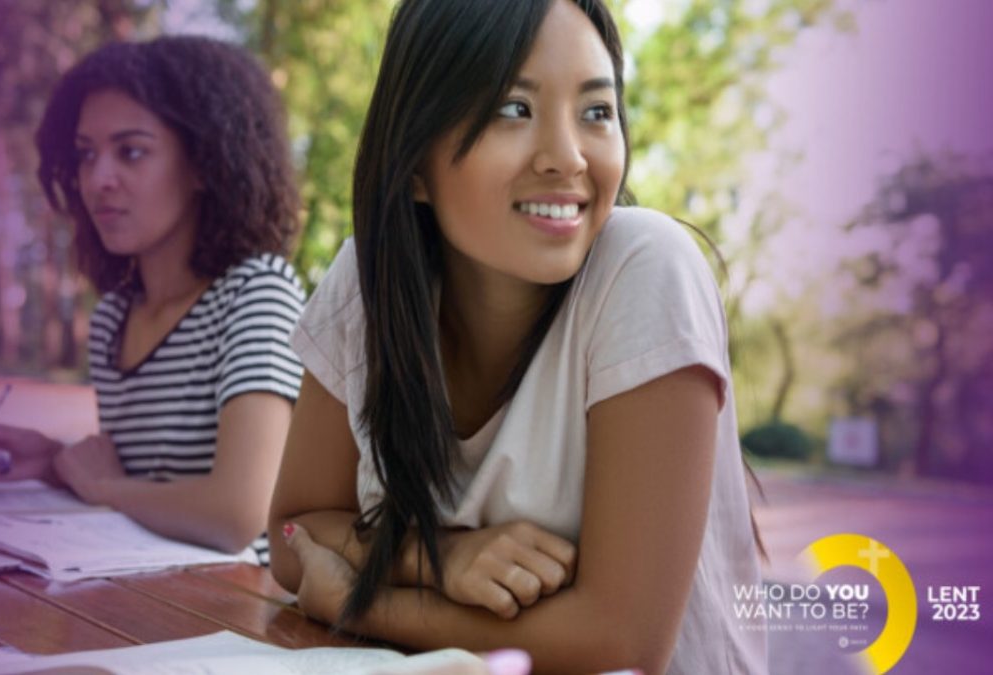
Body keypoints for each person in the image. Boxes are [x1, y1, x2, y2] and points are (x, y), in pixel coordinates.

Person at [269, 0, 768, 672]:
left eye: (596, 111)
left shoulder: (648, 268)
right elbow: (293, 533)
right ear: (415, 161)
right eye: (513, 108)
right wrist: (436, 556)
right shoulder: (368, 282)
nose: (567, 159)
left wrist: (365, 600)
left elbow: (620, 639)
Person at [0, 35, 304, 564]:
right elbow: (148, 489)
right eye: (86, 155)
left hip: (242, 616)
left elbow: (238, 512)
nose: (99, 179)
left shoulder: (256, 293)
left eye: (132, 151)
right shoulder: (113, 320)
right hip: (150, 600)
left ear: (203, 164)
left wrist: (104, 489)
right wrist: (57, 461)